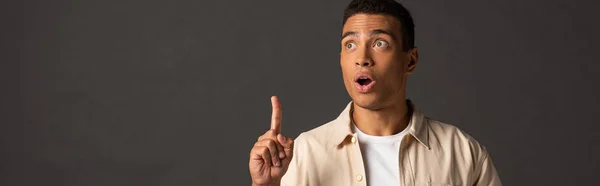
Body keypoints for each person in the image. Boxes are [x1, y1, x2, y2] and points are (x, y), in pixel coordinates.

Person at [248, 0, 502, 185]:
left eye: (380, 43)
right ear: (340, 59)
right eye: (350, 44)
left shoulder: (463, 153)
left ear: (410, 61)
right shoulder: (304, 152)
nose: (362, 58)